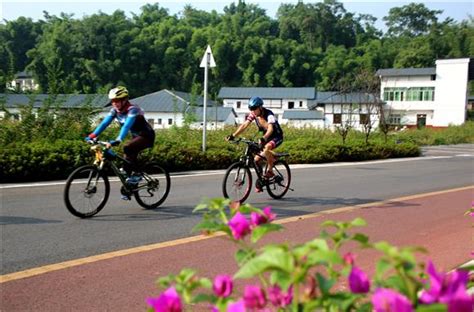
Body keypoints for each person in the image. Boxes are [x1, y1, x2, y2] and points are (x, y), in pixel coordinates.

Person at [86, 86, 155, 198]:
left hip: (146, 136)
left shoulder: (133, 109)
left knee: (127, 147)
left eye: (117, 101)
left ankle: (137, 174)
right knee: (127, 159)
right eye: (113, 101)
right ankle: (129, 189)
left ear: (124, 100)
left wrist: (119, 139)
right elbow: (104, 124)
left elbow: (127, 126)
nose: (115, 103)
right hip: (135, 137)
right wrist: (92, 135)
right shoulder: (114, 111)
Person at [226, 96, 284, 192]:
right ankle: (261, 181)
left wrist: (263, 138)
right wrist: (233, 135)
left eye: (254, 108)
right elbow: (244, 125)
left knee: (267, 147)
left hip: (276, 137)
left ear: (260, 107)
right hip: (265, 138)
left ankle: (270, 171)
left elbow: (270, 129)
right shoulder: (253, 114)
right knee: (256, 160)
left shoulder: (269, 114)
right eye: (250, 109)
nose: (252, 111)